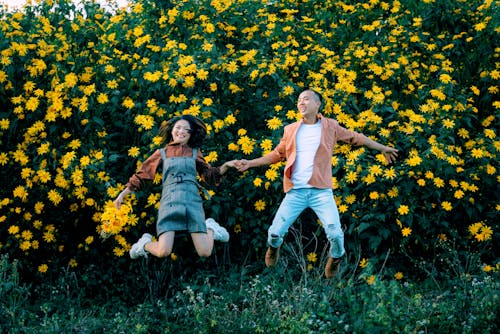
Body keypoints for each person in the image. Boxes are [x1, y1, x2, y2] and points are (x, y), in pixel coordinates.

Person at [236, 89, 398, 278]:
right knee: (274, 233)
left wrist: (382, 148)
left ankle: (335, 258)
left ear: (318, 104)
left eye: (305, 99)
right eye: (298, 101)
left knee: (336, 235)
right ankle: (273, 249)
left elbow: (357, 138)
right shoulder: (290, 129)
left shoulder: (330, 126)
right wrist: (250, 163)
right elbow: (277, 154)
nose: (301, 103)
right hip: (296, 192)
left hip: (321, 192)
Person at [114, 114, 237, 260]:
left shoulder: (195, 153)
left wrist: (227, 165)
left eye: (186, 129)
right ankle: (144, 244)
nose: (181, 131)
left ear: (191, 134)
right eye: (178, 127)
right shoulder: (162, 153)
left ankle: (210, 228)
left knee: (205, 252)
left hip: (192, 201)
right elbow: (143, 175)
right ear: (172, 131)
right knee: (163, 251)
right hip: (169, 202)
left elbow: (210, 176)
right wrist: (122, 194)